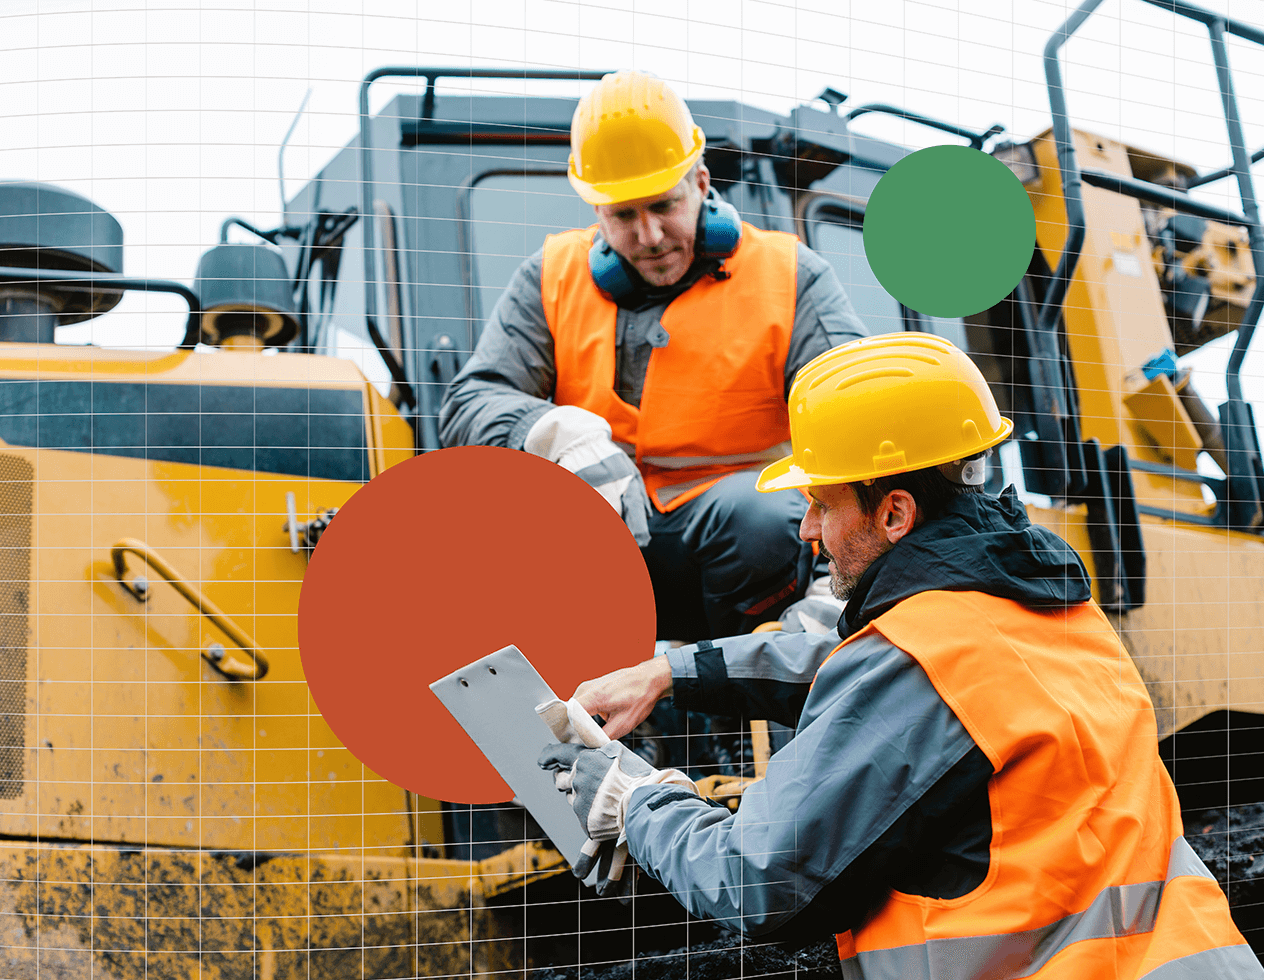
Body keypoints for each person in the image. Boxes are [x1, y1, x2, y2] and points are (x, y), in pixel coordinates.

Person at [538, 332, 1261, 978]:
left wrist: (635, 801)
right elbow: (848, 659)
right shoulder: (1055, 611)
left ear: (893, 513)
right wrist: (672, 671)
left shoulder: (919, 658)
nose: (809, 529)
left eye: (822, 502)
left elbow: (755, 882)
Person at [439, 69, 868, 640]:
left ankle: (741, 696)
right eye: (623, 215)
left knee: (764, 516)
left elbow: (863, 420)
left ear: (701, 181)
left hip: (746, 550)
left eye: (664, 205)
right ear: (596, 212)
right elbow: (470, 401)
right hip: (594, 540)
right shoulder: (549, 277)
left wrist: (840, 586)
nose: (648, 235)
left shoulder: (793, 278)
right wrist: (558, 434)